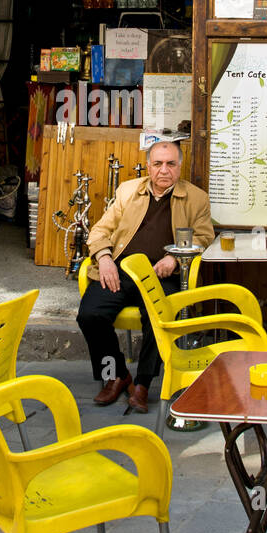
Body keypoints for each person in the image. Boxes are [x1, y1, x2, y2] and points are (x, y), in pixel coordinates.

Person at [77, 139, 214, 413]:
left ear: (180, 166)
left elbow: (204, 236)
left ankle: (142, 383)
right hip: (121, 271)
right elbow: (100, 231)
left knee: (157, 318)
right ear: (149, 167)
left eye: (171, 164)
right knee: (90, 314)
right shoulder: (128, 191)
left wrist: (174, 258)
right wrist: (104, 259)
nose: (164, 170)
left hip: (161, 274)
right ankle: (116, 375)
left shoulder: (196, 197)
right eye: (158, 164)